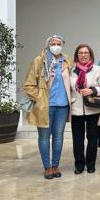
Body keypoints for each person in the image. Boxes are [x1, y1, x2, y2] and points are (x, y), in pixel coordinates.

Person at [23, 35, 73, 179]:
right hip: (45, 106)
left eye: (59, 43)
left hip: (62, 106)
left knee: (58, 137)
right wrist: (38, 98)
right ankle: (47, 167)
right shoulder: (39, 60)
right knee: (44, 137)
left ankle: (55, 166)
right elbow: (28, 84)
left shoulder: (67, 61)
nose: (56, 46)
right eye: (53, 43)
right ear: (48, 45)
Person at [69, 44, 100, 174]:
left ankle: (91, 164)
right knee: (77, 138)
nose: (83, 55)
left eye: (86, 53)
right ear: (76, 56)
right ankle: (79, 164)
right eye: (81, 53)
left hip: (93, 109)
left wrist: (92, 90)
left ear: (90, 55)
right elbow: (67, 88)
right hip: (76, 109)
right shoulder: (71, 70)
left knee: (92, 138)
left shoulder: (98, 70)